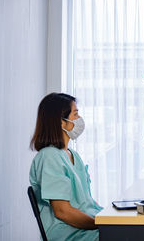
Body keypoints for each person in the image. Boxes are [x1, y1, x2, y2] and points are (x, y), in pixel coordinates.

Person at [29, 93, 102, 241]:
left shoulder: (73, 155)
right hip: (69, 233)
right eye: (75, 114)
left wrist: (109, 219)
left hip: (87, 227)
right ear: (61, 122)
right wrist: (99, 225)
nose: (79, 119)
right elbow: (62, 211)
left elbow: (87, 201)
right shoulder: (49, 156)